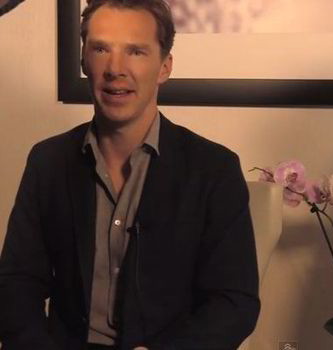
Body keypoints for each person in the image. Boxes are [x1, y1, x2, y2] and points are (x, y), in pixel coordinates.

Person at [0, 0, 259, 349]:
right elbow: (16, 285)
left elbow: (234, 303)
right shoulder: (48, 161)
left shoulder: (214, 170)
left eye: (135, 51)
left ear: (164, 67)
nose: (115, 68)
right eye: (101, 49)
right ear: (83, 62)